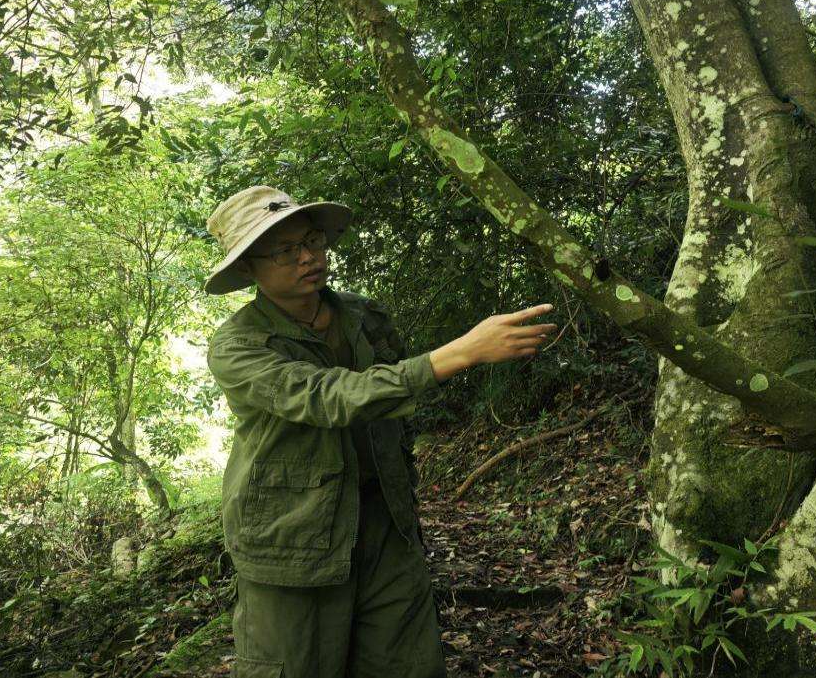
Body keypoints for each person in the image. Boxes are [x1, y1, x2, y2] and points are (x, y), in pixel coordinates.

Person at [203, 185, 557, 678]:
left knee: (409, 663)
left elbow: (390, 405)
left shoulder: (365, 316)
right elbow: (327, 397)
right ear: (248, 269)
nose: (308, 257)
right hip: (291, 540)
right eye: (285, 250)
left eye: (313, 240)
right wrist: (459, 354)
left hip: (385, 526)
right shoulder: (237, 347)